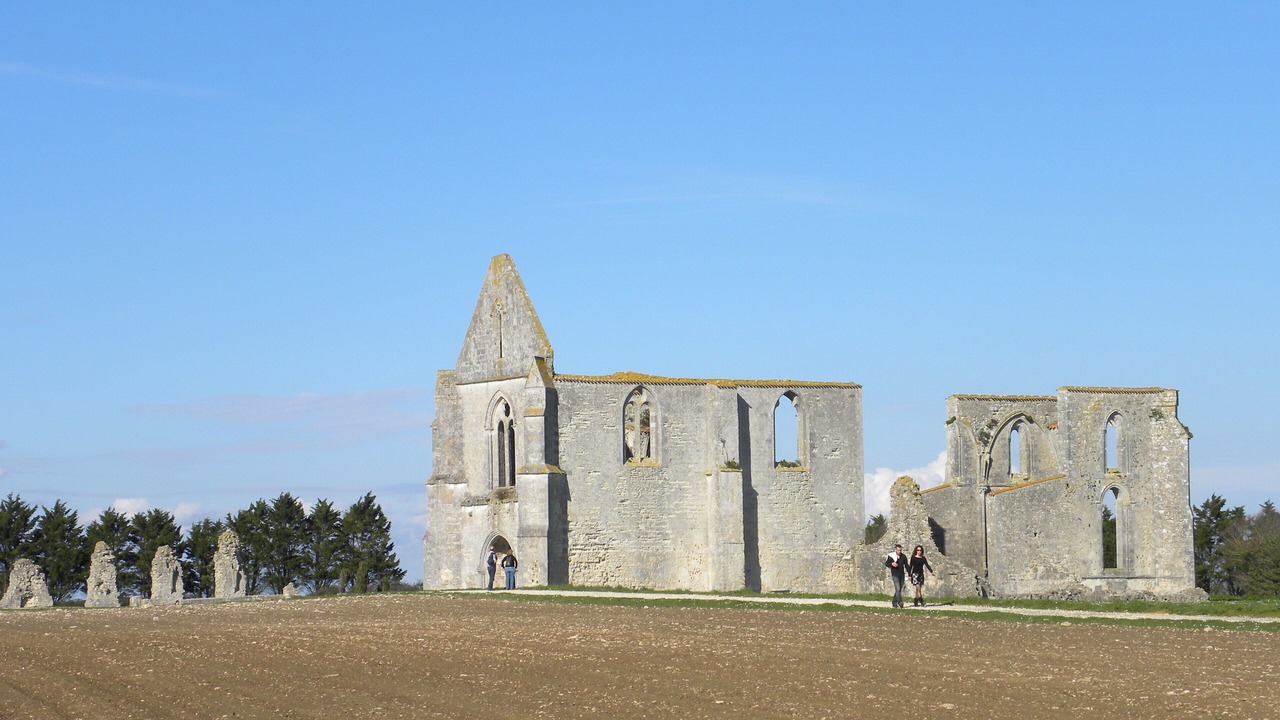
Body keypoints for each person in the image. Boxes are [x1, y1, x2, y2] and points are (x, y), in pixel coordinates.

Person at [884, 544, 907, 608]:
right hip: (895, 574)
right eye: (898, 550)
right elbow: (886, 563)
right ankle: (900, 602)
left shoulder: (903, 557)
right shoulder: (891, 556)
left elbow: (906, 565)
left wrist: (909, 574)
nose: (899, 551)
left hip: (901, 574)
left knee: (899, 589)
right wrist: (892, 563)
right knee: (898, 588)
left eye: (900, 550)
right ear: (896, 550)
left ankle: (894, 602)